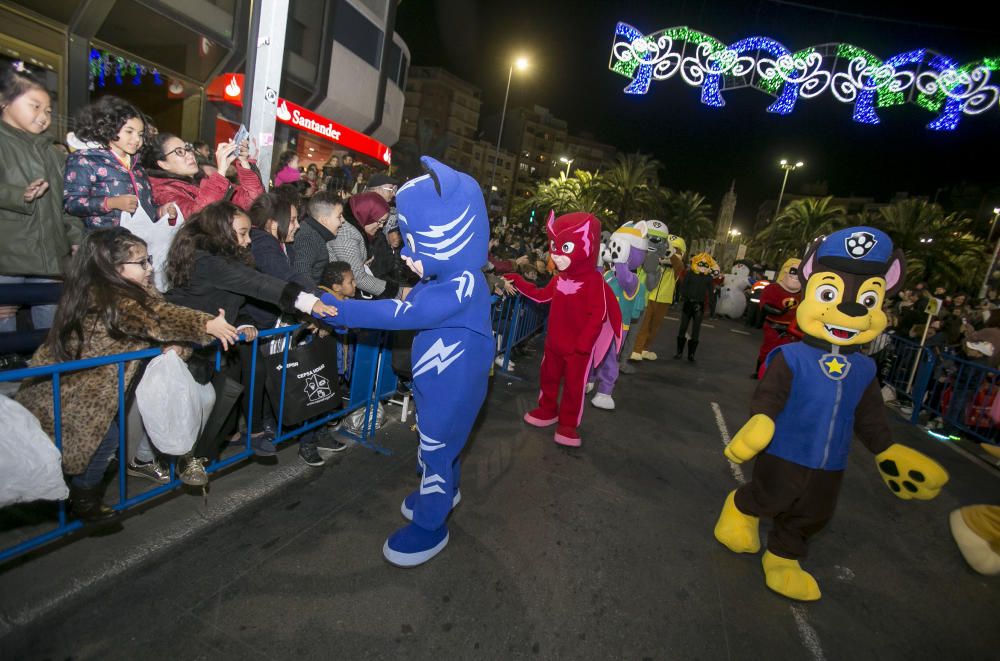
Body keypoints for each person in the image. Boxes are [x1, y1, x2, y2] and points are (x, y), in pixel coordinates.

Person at [15, 228, 239, 520]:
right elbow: (155, 319)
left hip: (90, 390)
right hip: (70, 390)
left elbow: (156, 319)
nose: (149, 269)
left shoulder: (129, 291)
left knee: (82, 445)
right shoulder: (107, 298)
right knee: (73, 446)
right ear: (114, 268)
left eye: (149, 261)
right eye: (141, 263)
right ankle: (79, 501)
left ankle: (71, 498)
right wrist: (206, 324)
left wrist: (177, 345)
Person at [165, 202, 337, 467]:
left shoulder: (221, 259)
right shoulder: (207, 261)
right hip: (188, 344)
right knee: (186, 415)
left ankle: (195, 459)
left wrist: (243, 321)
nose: (248, 241)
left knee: (214, 407)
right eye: (242, 233)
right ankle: (180, 462)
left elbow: (235, 298)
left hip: (213, 345)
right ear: (221, 232)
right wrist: (310, 303)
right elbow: (258, 284)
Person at [0, 62, 83, 333]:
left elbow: (66, 203)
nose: (44, 115)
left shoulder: (54, 154)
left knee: (51, 327)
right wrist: (18, 195)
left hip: (49, 259)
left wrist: (75, 239)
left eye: (48, 110)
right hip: (7, 258)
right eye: (34, 106)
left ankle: (45, 374)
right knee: (4, 324)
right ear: (5, 102)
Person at [63, 96, 171, 230]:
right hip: (105, 243)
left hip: (137, 241)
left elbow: (145, 207)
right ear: (108, 127)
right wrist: (111, 203)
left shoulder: (137, 166)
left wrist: (160, 212)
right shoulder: (85, 160)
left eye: (141, 134)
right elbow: (71, 203)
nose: (137, 139)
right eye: (129, 131)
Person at [143, 133, 263, 218]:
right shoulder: (161, 191)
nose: (190, 155)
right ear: (163, 164)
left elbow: (252, 201)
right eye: (179, 152)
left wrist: (244, 162)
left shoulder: (202, 180)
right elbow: (198, 217)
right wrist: (220, 172)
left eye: (188, 148)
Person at [328, 191, 402, 299]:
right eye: (380, 221)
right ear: (366, 215)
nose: (381, 226)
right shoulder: (346, 234)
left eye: (384, 223)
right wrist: (398, 292)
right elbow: (358, 278)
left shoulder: (359, 227)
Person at [673, 252, 719, 362]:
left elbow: (711, 294)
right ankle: (679, 352)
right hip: (688, 303)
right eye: (700, 264)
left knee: (696, 330)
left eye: (706, 265)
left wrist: (711, 309)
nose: (703, 267)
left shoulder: (708, 278)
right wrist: (684, 298)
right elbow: (683, 288)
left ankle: (691, 355)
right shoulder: (689, 274)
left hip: (700, 305)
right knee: (683, 328)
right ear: (695, 263)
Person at [294, 192, 344, 283]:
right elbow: (301, 277)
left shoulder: (314, 232)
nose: (342, 221)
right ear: (324, 220)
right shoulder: (308, 238)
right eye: (339, 216)